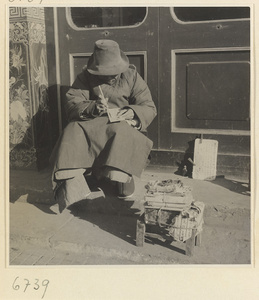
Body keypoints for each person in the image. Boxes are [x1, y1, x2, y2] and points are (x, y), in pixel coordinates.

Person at [51, 39, 157, 213]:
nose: (112, 75)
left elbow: (149, 107)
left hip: (122, 125)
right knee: (72, 130)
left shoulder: (132, 76)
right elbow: (72, 103)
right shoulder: (85, 77)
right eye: (106, 72)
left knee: (121, 132)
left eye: (115, 71)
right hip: (95, 122)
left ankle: (121, 177)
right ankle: (73, 185)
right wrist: (93, 106)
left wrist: (132, 112)